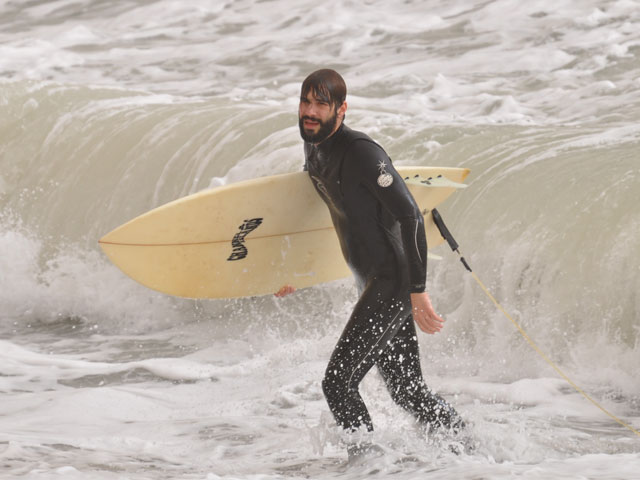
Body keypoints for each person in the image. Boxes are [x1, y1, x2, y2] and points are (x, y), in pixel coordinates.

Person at [276, 69, 463, 455]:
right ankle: (468, 446)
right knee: (408, 392)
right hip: (371, 283)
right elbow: (327, 216)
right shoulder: (313, 144)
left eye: (320, 104)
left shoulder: (362, 153)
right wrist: (295, 271)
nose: (309, 111)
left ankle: (367, 466)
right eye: (304, 102)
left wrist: (418, 291)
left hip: (393, 282)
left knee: (338, 384)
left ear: (341, 110)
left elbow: (410, 214)